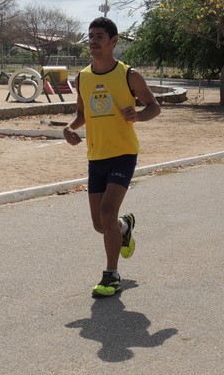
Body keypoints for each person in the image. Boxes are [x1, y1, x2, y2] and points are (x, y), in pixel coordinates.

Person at [63, 17, 161, 297]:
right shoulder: (83, 77)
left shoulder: (129, 75)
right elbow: (82, 115)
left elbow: (154, 106)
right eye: (91, 36)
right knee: (100, 224)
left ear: (114, 41)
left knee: (107, 211)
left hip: (123, 153)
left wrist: (139, 115)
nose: (93, 41)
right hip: (96, 155)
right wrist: (70, 128)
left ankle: (111, 275)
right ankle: (124, 226)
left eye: (100, 36)